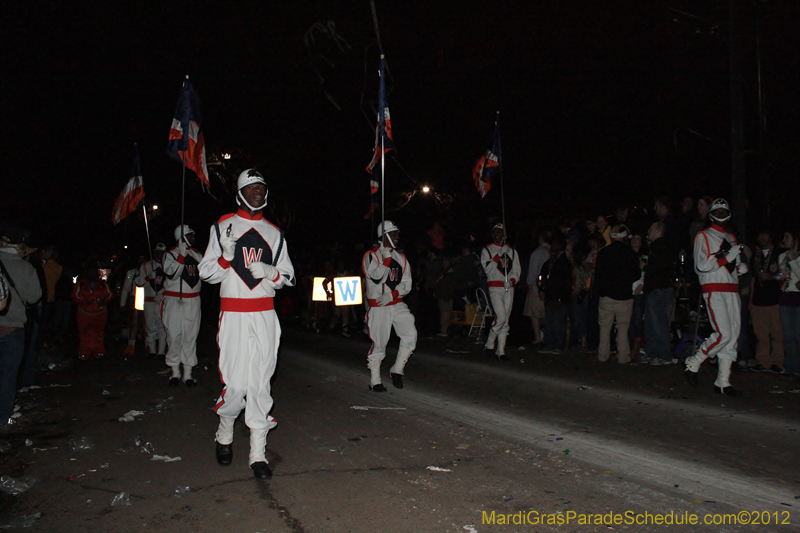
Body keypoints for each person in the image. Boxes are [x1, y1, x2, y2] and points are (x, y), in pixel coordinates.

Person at [199, 169, 295, 480]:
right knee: (237, 383)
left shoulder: (274, 233)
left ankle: (257, 453)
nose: (257, 191)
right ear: (241, 191)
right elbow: (206, 273)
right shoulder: (222, 225)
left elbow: (289, 277)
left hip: (265, 314)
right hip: (234, 313)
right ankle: (224, 429)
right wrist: (226, 257)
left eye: (261, 187)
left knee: (260, 383)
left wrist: (271, 272)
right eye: (252, 187)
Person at [684, 198, 748, 395]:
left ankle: (723, 381)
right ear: (711, 213)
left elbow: (732, 264)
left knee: (732, 336)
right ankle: (694, 362)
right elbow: (701, 266)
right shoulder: (703, 236)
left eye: (723, 210)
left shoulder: (731, 238)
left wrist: (738, 266)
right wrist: (727, 258)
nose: (721, 213)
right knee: (723, 333)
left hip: (732, 290)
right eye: (717, 210)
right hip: (714, 289)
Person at [362, 220, 417, 390]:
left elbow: (407, 283)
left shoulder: (401, 258)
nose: (397, 237)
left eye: (397, 233)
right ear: (383, 236)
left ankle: (397, 369)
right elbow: (376, 277)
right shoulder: (371, 255)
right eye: (392, 234)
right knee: (379, 342)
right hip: (378, 306)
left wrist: (393, 294)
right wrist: (385, 260)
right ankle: (375, 380)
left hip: (396, 302)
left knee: (410, 333)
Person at [0, 226, 42, 426]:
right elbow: (34, 297)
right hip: (12, 328)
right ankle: (2, 418)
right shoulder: (25, 268)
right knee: (8, 376)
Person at [593, 224, 641, 364]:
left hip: (606, 296)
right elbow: (636, 274)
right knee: (623, 328)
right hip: (624, 296)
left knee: (604, 327)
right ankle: (623, 357)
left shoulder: (603, 253)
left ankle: (603, 355)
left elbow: (598, 275)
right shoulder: (630, 253)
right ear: (625, 237)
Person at [162, 225, 203, 386]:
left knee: (190, 335)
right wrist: (180, 255)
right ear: (182, 236)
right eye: (190, 235)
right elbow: (171, 274)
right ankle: (174, 371)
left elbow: (206, 273)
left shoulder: (198, 254)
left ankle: (188, 373)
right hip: (174, 299)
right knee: (174, 334)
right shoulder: (170, 254)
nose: (193, 238)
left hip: (193, 299)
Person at [480, 223, 521, 360]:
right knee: (501, 317)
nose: (498, 235)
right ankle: (490, 343)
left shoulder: (513, 251)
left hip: (508, 287)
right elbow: (487, 269)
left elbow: (517, 270)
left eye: (500, 232)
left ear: (505, 234)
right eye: (495, 233)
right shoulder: (487, 249)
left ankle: (501, 351)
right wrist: (499, 254)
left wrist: (512, 281)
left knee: (506, 320)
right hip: (494, 287)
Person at [749, 230, 785, 373]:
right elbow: (753, 277)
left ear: (771, 236)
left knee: (777, 334)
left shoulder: (779, 253)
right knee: (761, 334)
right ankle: (763, 362)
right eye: (759, 235)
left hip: (775, 299)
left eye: (764, 234)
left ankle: (777, 362)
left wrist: (771, 276)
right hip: (758, 299)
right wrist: (751, 299)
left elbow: (784, 274)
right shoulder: (756, 256)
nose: (761, 237)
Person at [643, 221, 677, 365]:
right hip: (663, 288)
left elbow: (656, 267)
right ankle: (659, 354)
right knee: (660, 321)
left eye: (650, 229)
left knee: (655, 323)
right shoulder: (665, 246)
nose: (648, 232)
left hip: (657, 288)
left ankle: (658, 355)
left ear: (657, 231)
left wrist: (646, 266)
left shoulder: (659, 247)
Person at [71, 266, 113, 360]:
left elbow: (109, 295)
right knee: (84, 333)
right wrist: (85, 301)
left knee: (98, 332)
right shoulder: (80, 284)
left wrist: (103, 301)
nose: (92, 274)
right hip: (84, 313)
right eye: (90, 272)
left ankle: (98, 351)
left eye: (94, 272)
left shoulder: (102, 284)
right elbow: (74, 296)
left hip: (100, 313)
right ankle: (84, 352)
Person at [135, 243, 167, 359]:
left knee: (162, 326)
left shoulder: (169, 265)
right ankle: (152, 351)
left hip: (162, 300)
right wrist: (149, 277)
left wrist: (163, 293)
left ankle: (161, 352)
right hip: (149, 300)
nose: (159, 254)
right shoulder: (146, 265)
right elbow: (138, 282)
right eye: (157, 252)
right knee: (150, 326)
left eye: (162, 252)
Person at [523, 229, 551, 347]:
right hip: (546, 286)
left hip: (536, 285)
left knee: (535, 314)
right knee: (545, 313)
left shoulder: (538, 252)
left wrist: (530, 283)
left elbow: (533, 270)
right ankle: (543, 336)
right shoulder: (551, 251)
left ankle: (538, 337)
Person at [778, 231, 800, 375]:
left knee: (798, 335)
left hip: (798, 298)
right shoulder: (782, 256)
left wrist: (793, 261)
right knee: (788, 336)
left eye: (788, 237)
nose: (784, 240)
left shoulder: (795, 257)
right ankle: (791, 367)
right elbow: (782, 277)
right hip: (786, 297)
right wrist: (775, 273)